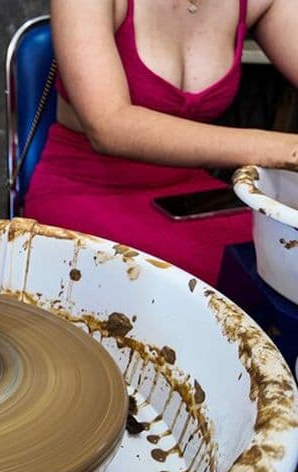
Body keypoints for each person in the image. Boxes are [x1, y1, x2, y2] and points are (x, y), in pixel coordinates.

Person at [23, 0, 298, 285]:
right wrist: (286, 150)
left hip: (192, 200)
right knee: (236, 285)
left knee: (281, 262)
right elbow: (109, 126)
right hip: (89, 191)